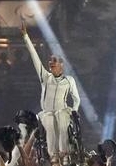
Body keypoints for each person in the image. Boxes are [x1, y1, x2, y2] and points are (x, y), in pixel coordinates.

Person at [20, 21, 80, 158]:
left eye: (54, 61)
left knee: (62, 115)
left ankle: (64, 153)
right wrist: (25, 36)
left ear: (61, 65)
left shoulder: (69, 80)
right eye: (50, 61)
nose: (50, 63)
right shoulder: (45, 77)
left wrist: (74, 112)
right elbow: (34, 56)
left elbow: (76, 98)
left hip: (63, 113)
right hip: (47, 113)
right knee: (50, 121)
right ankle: (54, 157)